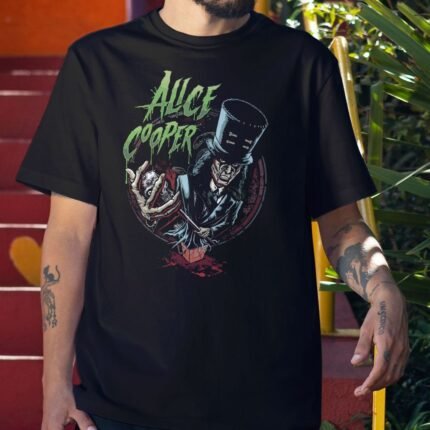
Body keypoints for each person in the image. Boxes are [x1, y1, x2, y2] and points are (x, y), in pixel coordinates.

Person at [15, 0, 410, 429]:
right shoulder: (98, 64)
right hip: (122, 402)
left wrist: (382, 287)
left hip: (271, 402)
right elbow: (70, 234)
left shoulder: (304, 65)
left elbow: (342, 225)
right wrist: (55, 383)